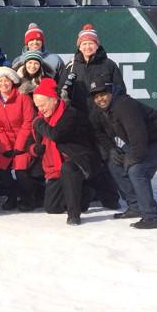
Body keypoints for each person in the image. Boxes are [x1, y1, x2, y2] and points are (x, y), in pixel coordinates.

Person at [89, 80, 157, 229]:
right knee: (114, 164)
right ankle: (135, 206)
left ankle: (151, 217)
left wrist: (133, 158)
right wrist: (111, 149)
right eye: (96, 97)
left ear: (111, 93)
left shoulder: (124, 105)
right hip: (142, 142)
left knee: (137, 170)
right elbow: (98, 133)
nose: (100, 99)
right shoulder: (98, 111)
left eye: (103, 94)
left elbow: (138, 136)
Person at [30, 78, 101, 226]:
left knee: (68, 168)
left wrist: (39, 123)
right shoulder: (42, 118)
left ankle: (74, 214)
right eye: (37, 106)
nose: (40, 109)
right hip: (54, 167)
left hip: (78, 159)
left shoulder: (70, 114)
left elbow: (56, 135)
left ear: (54, 100)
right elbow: (33, 143)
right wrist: (34, 149)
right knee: (51, 207)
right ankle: (80, 194)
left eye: (42, 105)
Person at [0, 67, 38, 211]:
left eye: (7, 80)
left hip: (25, 140)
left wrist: (19, 146)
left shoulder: (23, 97)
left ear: (13, 82)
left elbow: (29, 122)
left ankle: (28, 198)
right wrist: (6, 147)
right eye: (0, 81)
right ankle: (12, 196)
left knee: (21, 172)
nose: (3, 84)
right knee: (3, 171)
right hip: (6, 143)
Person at [63, 23, 124, 117]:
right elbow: (61, 89)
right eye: (84, 44)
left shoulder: (109, 64)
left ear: (97, 46)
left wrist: (110, 109)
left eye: (91, 43)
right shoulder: (71, 66)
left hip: (104, 114)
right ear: (79, 47)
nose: (87, 47)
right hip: (78, 115)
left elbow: (119, 89)